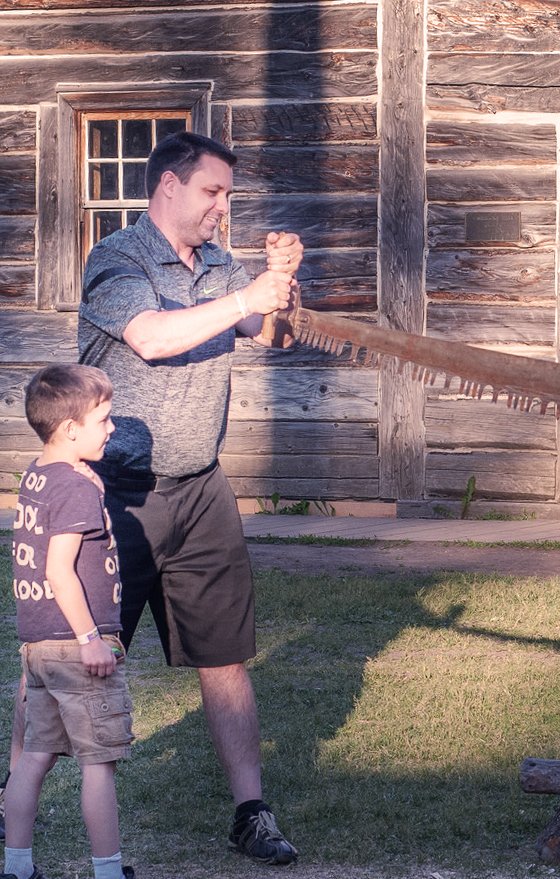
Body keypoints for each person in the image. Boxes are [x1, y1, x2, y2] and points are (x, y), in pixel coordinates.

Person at [73, 131, 301, 865]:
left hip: (201, 486)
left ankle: (251, 812)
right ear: (168, 186)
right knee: (83, 653)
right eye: (213, 192)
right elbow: (151, 338)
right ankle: (22, 791)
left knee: (224, 656)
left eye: (228, 195)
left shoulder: (223, 265)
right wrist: (246, 294)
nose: (223, 208)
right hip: (116, 495)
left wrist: (281, 283)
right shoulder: (117, 259)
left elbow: (272, 335)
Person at [8, 364, 134, 879]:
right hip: (75, 646)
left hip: (38, 647)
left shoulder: (39, 474)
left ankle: (16, 867)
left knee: (35, 756)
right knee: (97, 763)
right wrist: (91, 639)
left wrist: (93, 485)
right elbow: (59, 570)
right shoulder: (76, 489)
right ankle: (108, 872)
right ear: (70, 429)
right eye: (103, 419)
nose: (111, 428)